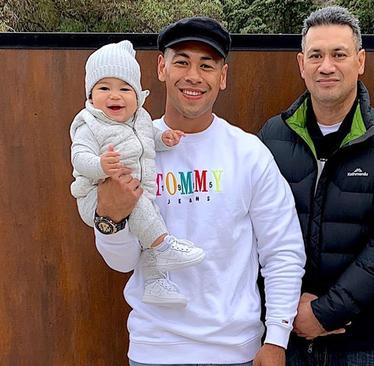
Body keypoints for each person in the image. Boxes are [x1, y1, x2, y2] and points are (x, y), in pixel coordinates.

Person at [92, 17, 306, 366]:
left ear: (222, 76)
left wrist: (277, 338)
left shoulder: (248, 154)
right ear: (161, 67)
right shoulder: (129, 150)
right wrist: (109, 218)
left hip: (237, 352)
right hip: (154, 351)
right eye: (182, 62)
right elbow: (122, 261)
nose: (193, 75)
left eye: (206, 65)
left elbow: (282, 250)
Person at [258, 6, 374, 366]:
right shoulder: (272, 136)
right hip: (283, 339)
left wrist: (324, 312)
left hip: (360, 341)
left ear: (360, 60)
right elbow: (250, 231)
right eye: (316, 55)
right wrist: (286, 312)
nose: (326, 66)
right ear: (302, 64)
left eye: (339, 54)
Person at [70, 40, 206, 307]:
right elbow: (78, 157)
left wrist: (163, 138)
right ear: (90, 97)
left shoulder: (141, 119)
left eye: (124, 88)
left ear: (138, 95)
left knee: (147, 224)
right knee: (145, 215)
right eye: (104, 88)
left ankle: (156, 283)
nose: (115, 95)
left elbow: (147, 138)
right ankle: (165, 246)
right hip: (95, 197)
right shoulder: (90, 125)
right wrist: (100, 165)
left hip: (137, 191)